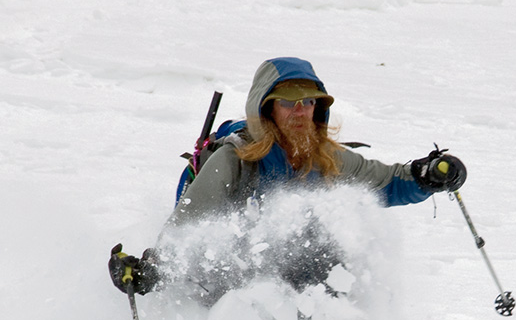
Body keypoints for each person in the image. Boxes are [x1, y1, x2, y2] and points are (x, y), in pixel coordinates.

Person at [109, 57, 466, 304]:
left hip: (297, 285)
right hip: (227, 288)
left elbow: (386, 184)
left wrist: (425, 176)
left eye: (309, 102)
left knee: (332, 243)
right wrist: (152, 270)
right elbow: (188, 228)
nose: (300, 112)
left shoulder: (326, 158)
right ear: (266, 109)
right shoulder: (232, 161)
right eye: (289, 103)